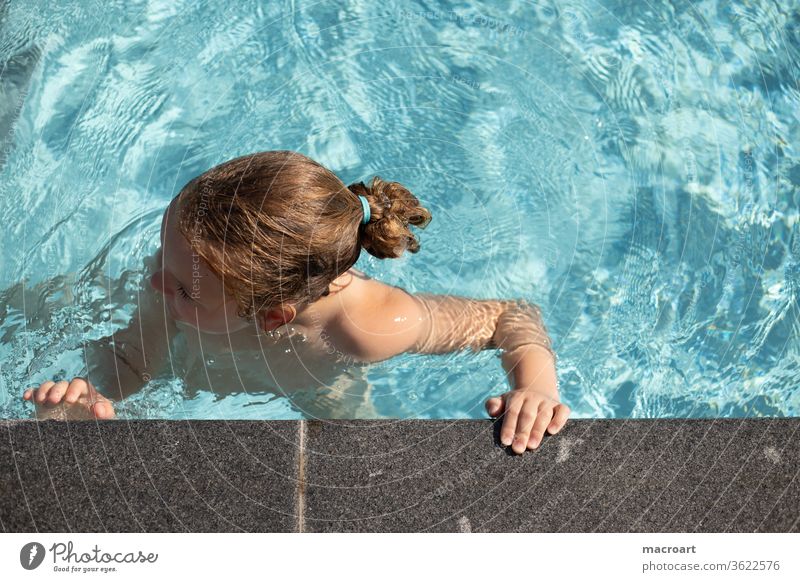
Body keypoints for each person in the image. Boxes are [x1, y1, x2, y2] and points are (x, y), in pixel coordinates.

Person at [23, 150, 570, 454]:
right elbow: (132, 358)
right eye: (164, 260)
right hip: (199, 348)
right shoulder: (174, 281)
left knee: (365, 456)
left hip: (316, 377)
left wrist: (536, 385)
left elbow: (508, 315)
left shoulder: (368, 324)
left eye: (183, 286)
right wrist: (89, 400)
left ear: (275, 315)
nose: (155, 283)